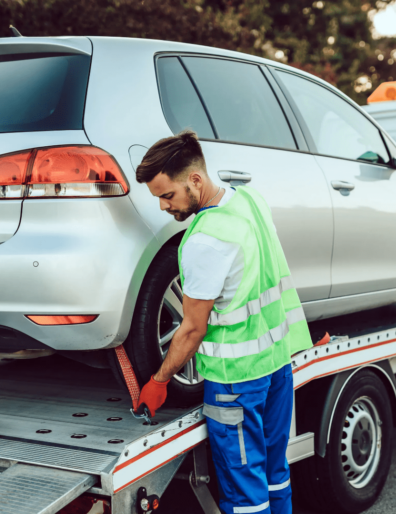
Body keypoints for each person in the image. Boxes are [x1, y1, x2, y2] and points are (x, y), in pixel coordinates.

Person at [134, 130, 312, 514]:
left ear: (194, 180)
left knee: (245, 494)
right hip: (277, 367)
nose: (164, 206)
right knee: (275, 474)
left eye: (168, 195)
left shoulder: (205, 240)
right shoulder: (249, 200)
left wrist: (159, 380)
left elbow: (193, 329)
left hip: (236, 383)